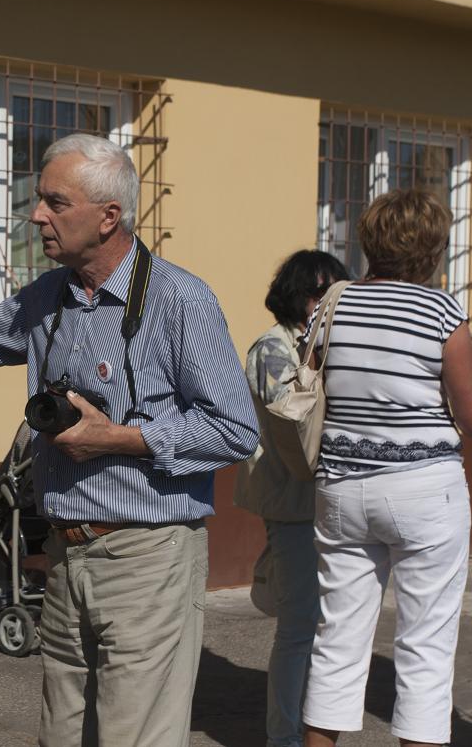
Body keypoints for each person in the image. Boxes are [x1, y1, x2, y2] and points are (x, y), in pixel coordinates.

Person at [0, 132, 258, 746]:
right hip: (64, 553)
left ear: (108, 217)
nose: (36, 216)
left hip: (146, 557)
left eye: (55, 202)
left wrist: (118, 438)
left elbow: (236, 430)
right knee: (63, 732)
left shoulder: (180, 300)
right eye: (38, 199)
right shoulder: (52, 295)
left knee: (135, 737)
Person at [301, 189, 472, 747]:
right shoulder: (443, 311)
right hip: (423, 489)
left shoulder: (331, 305)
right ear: (432, 249)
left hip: (341, 487)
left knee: (336, 641)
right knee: (425, 648)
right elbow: (469, 413)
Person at [233, 249, 349, 747]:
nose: (330, 304)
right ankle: (283, 737)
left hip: (332, 502)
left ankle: (310, 725)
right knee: (300, 626)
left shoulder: (322, 344)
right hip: (295, 504)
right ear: (299, 296)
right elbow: (293, 416)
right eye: (322, 294)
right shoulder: (273, 348)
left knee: (327, 629)